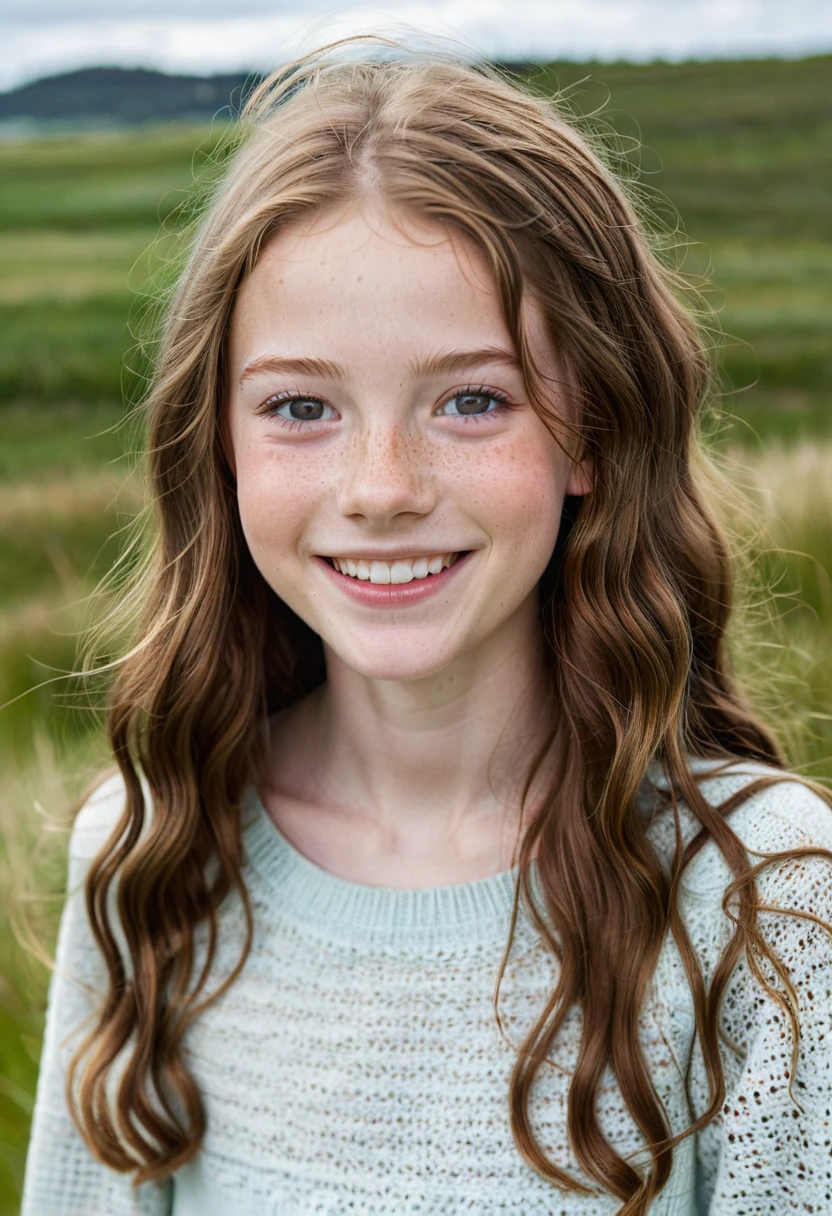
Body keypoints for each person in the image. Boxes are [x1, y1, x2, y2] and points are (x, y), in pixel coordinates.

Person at [19, 34, 832, 1216]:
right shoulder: (153, 855)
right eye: (300, 406)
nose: (381, 486)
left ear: (594, 432)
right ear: (220, 446)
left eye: (471, 399)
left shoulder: (767, 909)